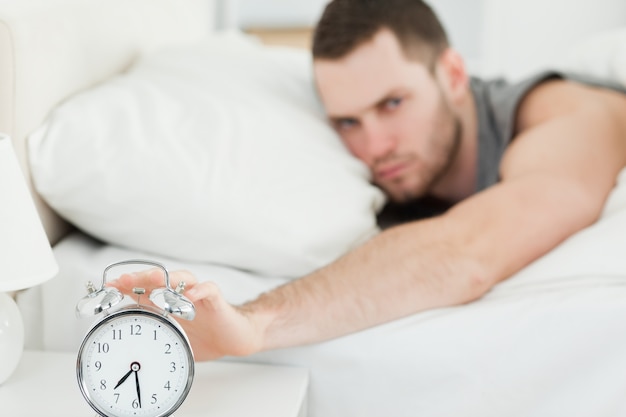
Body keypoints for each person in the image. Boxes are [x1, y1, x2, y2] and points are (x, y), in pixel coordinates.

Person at [111, 0, 626, 361]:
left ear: (452, 75)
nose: (375, 147)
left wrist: (256, 321)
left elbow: (468, 252)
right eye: (349, 122)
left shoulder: (564, 115)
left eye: (393, 104)